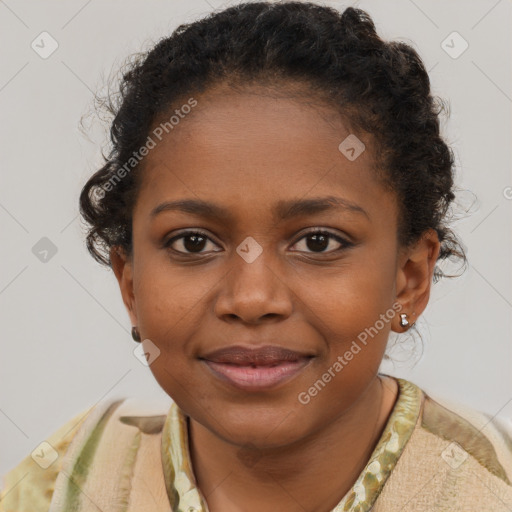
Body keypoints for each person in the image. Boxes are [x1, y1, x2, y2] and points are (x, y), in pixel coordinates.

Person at [1, 2, 511, 511]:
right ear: (130, 284)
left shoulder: (489, 491)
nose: (251, 299)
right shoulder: (62, 485)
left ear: (409, 279)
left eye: (318, 242)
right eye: (193, 242)